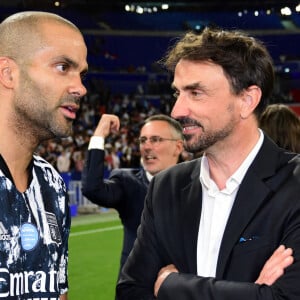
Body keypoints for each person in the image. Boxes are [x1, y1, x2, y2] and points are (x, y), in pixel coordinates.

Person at [116, 27, 300, 300]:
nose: (177, 110)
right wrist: (253, 294)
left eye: (196, 93)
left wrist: (171, 286)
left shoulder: (294, 184)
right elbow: (130, 293)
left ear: (247, 101)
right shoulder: (166, 187)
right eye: (178, 93)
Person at [0, 11, 88, 299]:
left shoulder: (52, 183)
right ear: (8, 73)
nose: (81, 88)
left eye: (81, 73)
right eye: (63, 67)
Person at [81, 113, 184, 272]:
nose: (147, 146)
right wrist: (99, 134)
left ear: (178, 147)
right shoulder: (127, 182)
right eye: (143, 140)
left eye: (155, 139)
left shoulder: (196, 184)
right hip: (134, 288)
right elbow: (92, 189)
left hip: (182, 288)